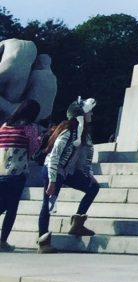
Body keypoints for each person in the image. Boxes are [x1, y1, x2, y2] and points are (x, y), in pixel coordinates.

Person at [37, 98, 100, 251]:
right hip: (54, 171)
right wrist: (52, 180)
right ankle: (43, 242)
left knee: (93, 188)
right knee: (49, 204)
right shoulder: (67, 131)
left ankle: (77, 223)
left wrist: (88, 174)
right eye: (88, 111)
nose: (91, 113)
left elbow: (84, 158)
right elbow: (54, 156)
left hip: (67, 172)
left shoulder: (84, 133)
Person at [0, 99, 43, 251]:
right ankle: (2, 241)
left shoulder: (4, 126)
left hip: (0, 172)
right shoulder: (29, 128)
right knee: (11, 207)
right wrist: (39, 141)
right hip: (17, 173)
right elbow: (32, 151)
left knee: (1, 205)